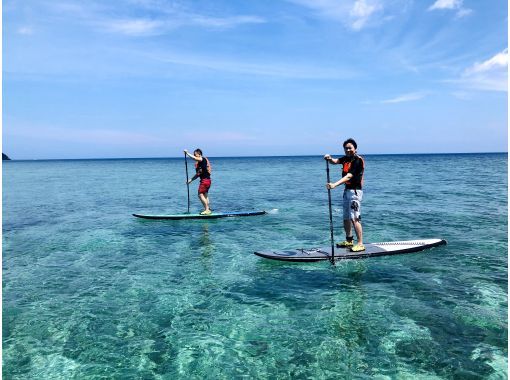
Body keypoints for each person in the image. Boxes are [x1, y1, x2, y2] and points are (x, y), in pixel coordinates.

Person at [324, 138, 365, 252]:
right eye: (346, 148)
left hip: (355, 192)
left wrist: (334, 185)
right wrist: (329, 158)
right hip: (346, 191)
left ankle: (360, 243)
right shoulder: (346, 159)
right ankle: (349, 240)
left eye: (350, 148)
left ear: (355, 149)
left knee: (354, 217)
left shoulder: (358, 160)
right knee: (346, 217)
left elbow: (349, 176)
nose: (348, 150)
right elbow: (335, 161)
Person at [184, 148, 212, 215]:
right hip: (207, 180)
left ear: (199, 154)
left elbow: (194, 158)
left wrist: (187, 153)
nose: (194, 155)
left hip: (205, 181)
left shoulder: (202, 159)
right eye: (194, 154)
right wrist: (191, 180)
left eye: (195, 154)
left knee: (200, 194)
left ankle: (207, 210)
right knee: (205, 195)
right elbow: (198, 174)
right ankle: (208, 209)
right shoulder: (200, 164)